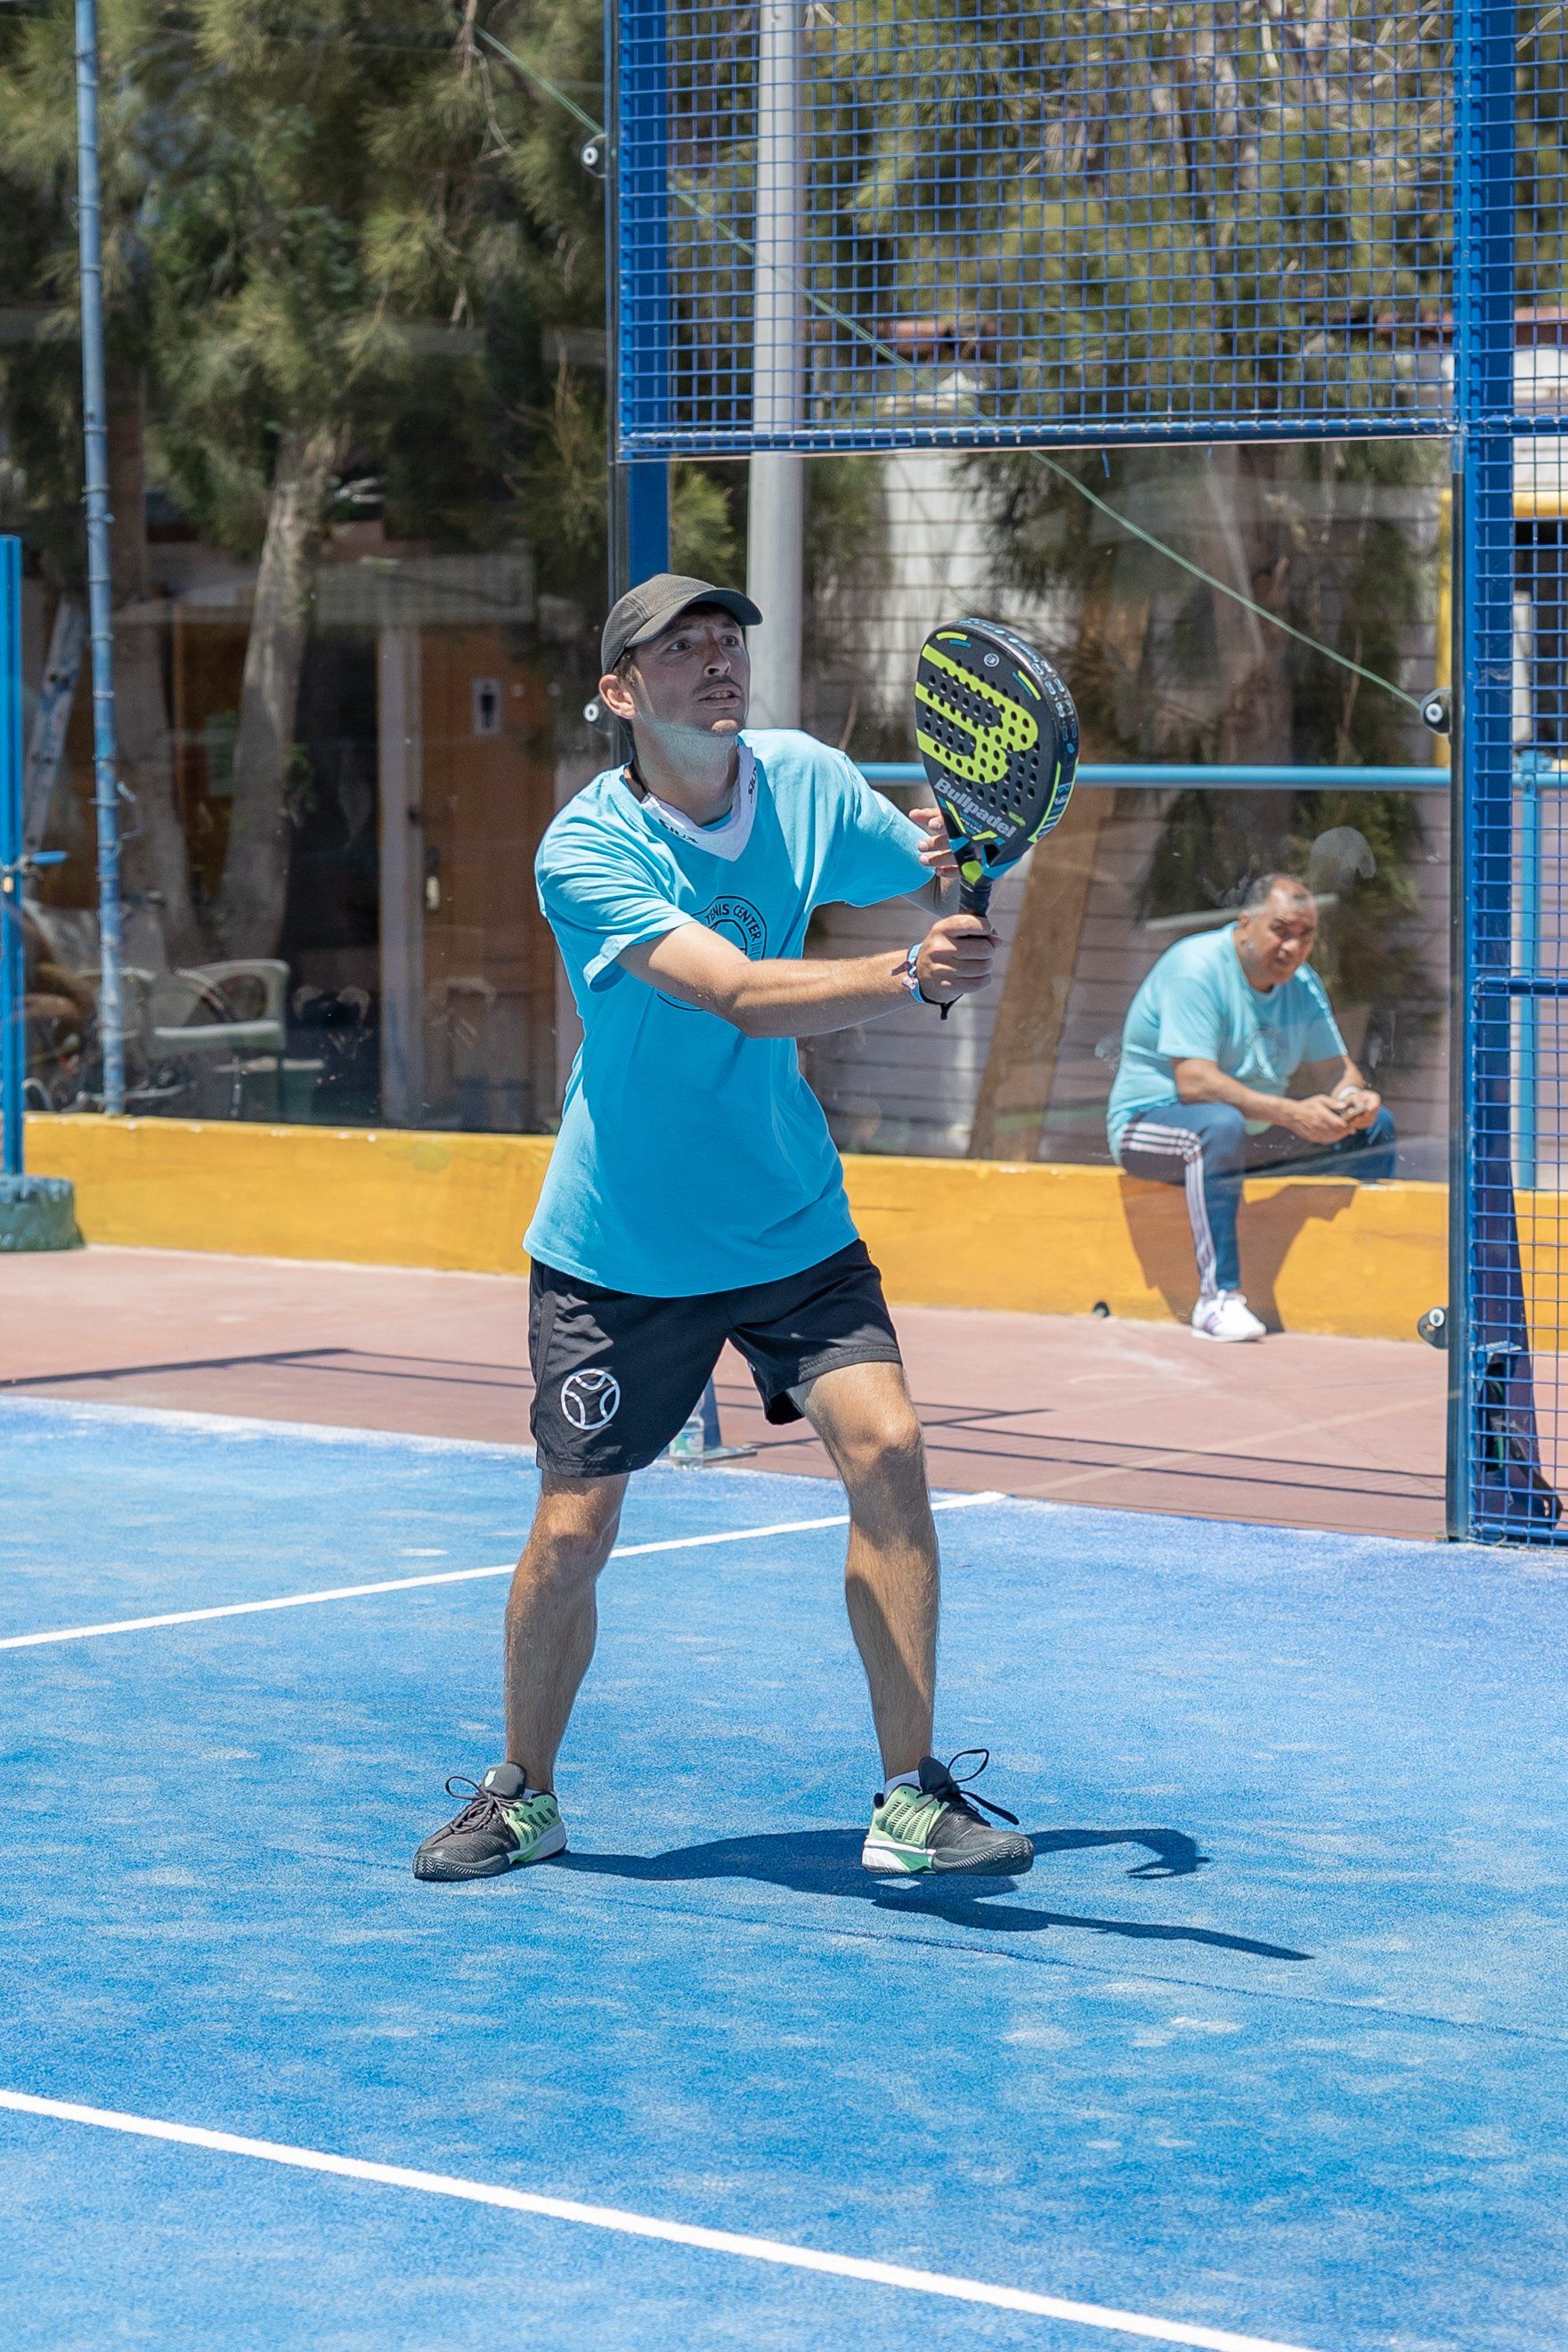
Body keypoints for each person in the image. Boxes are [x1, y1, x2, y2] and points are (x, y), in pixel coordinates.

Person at [414, 574, 1034, 1883]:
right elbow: (739, 990)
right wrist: (907, 970)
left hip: (788, 1217)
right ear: (618, 692)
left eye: (726, 640)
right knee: (573, 1531)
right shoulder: (586, 850)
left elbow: (925, 862)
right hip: (621, 1247)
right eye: (679, 646)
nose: (716, 659)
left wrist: (957, 850)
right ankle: (522, 1792)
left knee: (890, 1449)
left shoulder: (805, 779)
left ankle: (912, 1796)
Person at [1107, 873, 1396, 1342]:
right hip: (1151, 1124)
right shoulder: (1196, 966)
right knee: (1218, 1126)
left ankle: (1376, 1275)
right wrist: (1291, 1113)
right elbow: (1194, 1083)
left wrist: (1352, 1101)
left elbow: (1336, 1070)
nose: (1293, 947)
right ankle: (1216, 1300)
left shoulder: (1302, 983)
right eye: (1281, 930)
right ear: (1245, 923)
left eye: (1305, 935)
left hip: (1248, 1132)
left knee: (1373, 1127)